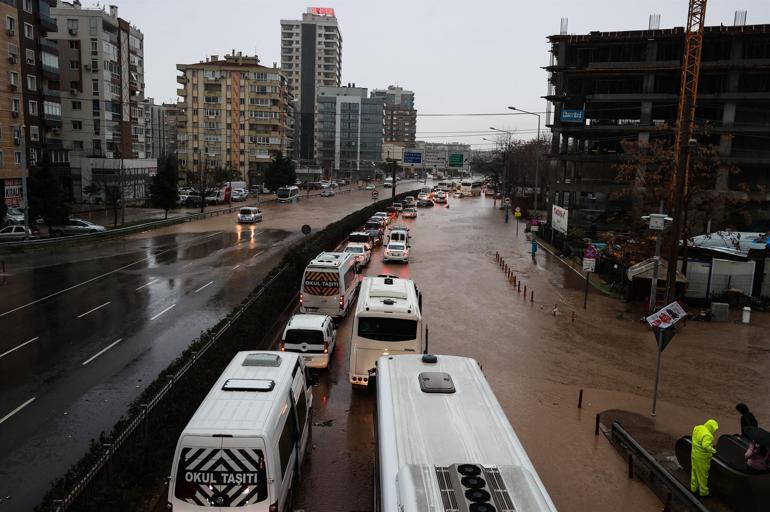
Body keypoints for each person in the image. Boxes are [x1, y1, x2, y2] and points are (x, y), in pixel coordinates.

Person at [691, 419, 719, 497]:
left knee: (694, 472)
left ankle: (693, 488)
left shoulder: (698, 428)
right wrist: (713, 450)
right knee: (702, 475)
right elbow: (705, 446)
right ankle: (703, 492)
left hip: (694, 453)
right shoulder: (708, 435)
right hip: (702, 457)